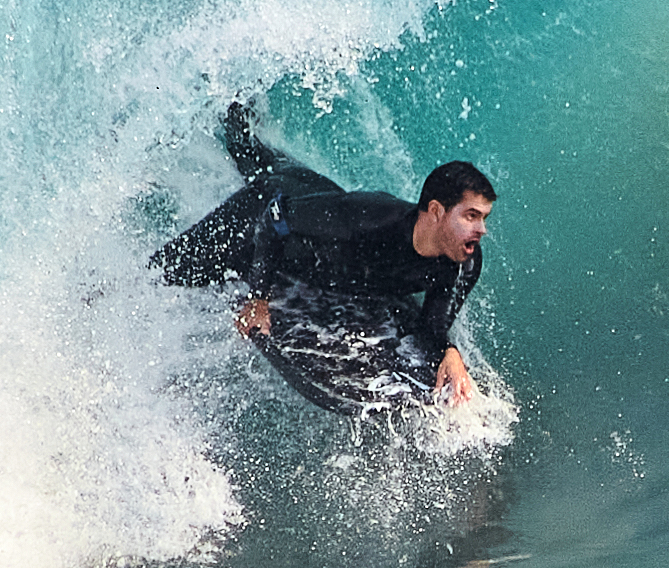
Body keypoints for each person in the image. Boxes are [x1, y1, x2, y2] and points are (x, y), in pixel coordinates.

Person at [151, 103, 495, 408]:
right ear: (435, 212)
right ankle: (222, 97)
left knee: (255, 146)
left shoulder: (463, 260)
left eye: (483, 218)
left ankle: (241, 106)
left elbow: (433, 322)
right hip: (263, 208)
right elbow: (274, 219)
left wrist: (449, 352)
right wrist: (258, 298)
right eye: (470, 216)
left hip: (312, 192)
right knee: (165, 273)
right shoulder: (369, 221)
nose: (481, 230)